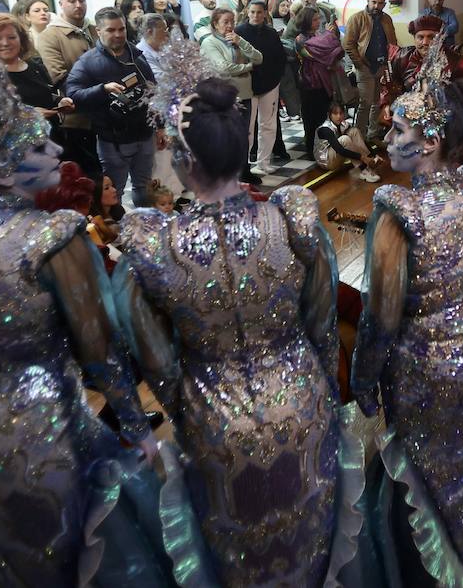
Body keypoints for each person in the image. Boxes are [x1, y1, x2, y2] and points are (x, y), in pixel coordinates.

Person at [0, 50, 170, 585]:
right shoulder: (50, 237)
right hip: (38, 432)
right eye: (36, 145)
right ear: (3, 169)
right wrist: (136, 424)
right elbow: (98, 349)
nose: (56, 147)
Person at [109, 55, 363, 585]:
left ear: (181, 161)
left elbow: (152, 356)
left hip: (213, 419)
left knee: (237, 551)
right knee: (311, 533)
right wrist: (317, 378)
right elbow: (320, 323)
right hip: (303, 400)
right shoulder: (293, 219)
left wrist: (184, 404)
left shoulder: (154, 245)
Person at [351, 39, 463, 584]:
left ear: (429, 143)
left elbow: (380, 315)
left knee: (426, 473)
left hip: (426, 368)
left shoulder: (396, 209)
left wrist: (362, 378)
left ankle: (435, 572)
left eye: (399, 130)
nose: (387, 139)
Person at [65, 8, 160, 207]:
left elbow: (154, 92)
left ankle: (146, 228)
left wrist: (159, 126)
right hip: (113, 141)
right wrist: (103, 89)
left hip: (144, 135)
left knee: (144, 189)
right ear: (98, 31)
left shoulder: (137, 56)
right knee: (112, 194)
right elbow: (72, 94)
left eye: (121, 29)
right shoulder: (88, 62)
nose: (118, 35)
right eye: (111, 30)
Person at [37, 0, 100, 184]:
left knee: (106, 176)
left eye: (81, 0)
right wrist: (97, 89)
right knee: (86, 177)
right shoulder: (50, 36)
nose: (78, 5)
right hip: (76, 119)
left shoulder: (94, 29)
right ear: (61, 4)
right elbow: (58, 76)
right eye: (71, 0)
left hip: (104, 114)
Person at [0, 13, 73, 121]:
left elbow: (47, 94)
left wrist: (60, 101)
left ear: (21, 39)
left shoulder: (35, 67)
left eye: (11, 37)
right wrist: (26, 115)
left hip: (51, 135)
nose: (5, 43)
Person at [232, 0, 287, 177]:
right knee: (247, 128)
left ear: (265, 14)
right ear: (247, 12)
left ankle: (264, 162)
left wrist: (276, 79)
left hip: (270, 85)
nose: (255, 15)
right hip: (247, 86)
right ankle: (244, 166)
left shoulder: (271, 33)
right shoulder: (238, 32)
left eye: (259, 12)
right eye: (252, 12)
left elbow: (280, 58)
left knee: (268, 124)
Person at [343, 0, 397, 148]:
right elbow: (348, 44)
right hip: (364, 67)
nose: (376, 6)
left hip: (381, 66)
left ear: (384, 4)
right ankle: (359, 138)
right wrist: (359, 63)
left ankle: (372, 135)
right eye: (374, 2)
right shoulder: (357, 18)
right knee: (364, 103)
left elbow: (393, 42)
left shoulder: (387, 19)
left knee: (376, 103)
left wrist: (390, 61)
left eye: (380, 3)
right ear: (368, 1)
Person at [293, 5, 346, 155]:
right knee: (311, 120)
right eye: (314, 19)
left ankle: (324, 148)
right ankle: (311, 150)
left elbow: (329, 51)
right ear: (306, 21)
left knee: (323, 117)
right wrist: (329, 36)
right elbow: (319, 54)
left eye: (318, 19)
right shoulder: (300, 39)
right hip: (309, 84)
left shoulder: (317, 35)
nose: (318, 22)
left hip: (323, 83)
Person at [199, 7, 261, 111]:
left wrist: (241, 42)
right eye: (226, 22)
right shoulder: (209, 42)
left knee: (247, 127)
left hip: (245, 93)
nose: (230, 26)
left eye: (233, 22)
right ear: (215, 24)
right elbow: (223, 68)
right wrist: (248, 67)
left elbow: (258, 59)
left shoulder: (236, 39)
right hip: (223, 96)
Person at [315, 101, 380, 181]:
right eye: (335, 114)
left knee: (354, 131)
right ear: (330, 115)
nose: (339, 116)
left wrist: (374, 154)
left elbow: (360, 140)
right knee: (345, 139)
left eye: (341, 113)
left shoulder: (343, 124)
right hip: (326, 161)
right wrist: (362, 157)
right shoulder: (325, 129)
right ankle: (363, 170)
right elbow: (340, 150)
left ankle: (370, 161)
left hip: (338, 157)